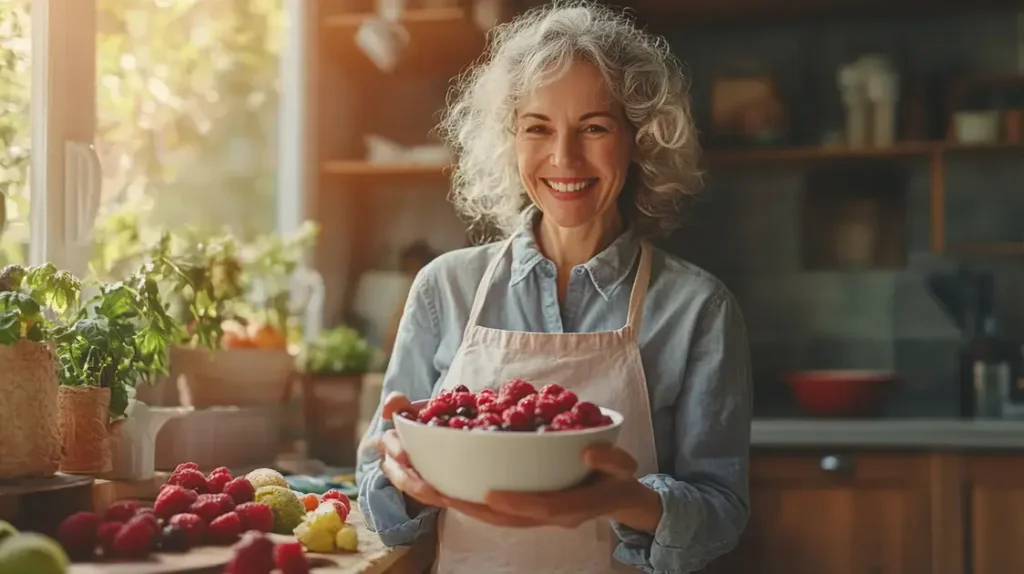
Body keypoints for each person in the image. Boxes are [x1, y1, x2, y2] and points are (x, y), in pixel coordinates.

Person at [355, 2, 752, 572]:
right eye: (538, 128)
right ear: (509, 140)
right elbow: (376, 495)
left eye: (594, 127)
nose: (564, 158)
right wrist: (409, 478)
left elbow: (721, 512)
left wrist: (623, 497)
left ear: (638, 137)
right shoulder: (445, 288)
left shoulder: (698, 309)